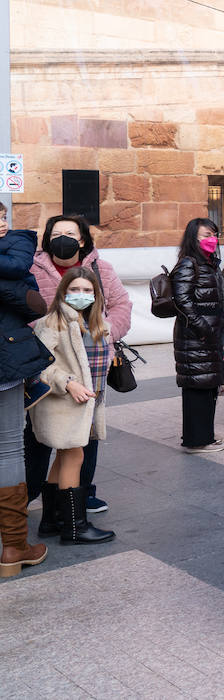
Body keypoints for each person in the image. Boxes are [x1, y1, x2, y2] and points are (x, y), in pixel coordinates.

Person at [26, 213, 131, 514]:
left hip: (93, 364)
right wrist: (46, 331)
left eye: (70, 233)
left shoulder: (100, 268)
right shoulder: (33, 268)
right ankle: (32, 495)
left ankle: (77, 497)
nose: (63, 238)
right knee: (42, 436)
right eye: (56, 233)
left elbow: (121, 305)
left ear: (82, 239)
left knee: (85, 439)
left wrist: (106, 330)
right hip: (51, 363)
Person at [31, 267, 115, 545]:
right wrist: (67, 383)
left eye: (87, 290)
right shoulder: (52, 322)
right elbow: (39, 366)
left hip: (86, 403)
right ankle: (75, 528)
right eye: (75, 289)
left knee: (66, 456)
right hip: (64, 402)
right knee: (75, 456)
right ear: (63, 291)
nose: (81, 295)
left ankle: (51, 520)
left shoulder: (95, 321)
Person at [0, 203, 50, 576]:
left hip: (7, 356)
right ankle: (13, 547)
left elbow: (30, 298)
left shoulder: (18, 245)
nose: (2, 225)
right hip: (6, 356)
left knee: (8, 447)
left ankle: (15, 546)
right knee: (8, 448)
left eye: (3, 217)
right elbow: (26, 297)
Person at [170, 218, 224, 453]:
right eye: (205, 235)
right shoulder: (189, 263)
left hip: (209, 334)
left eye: (214, 234)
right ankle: (196, 441)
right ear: (193, 238)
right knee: (197, 386)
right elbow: (182, 300)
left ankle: (205, 435)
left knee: (207, 386)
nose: (211, 239)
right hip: (196, 336)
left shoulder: (209, 263)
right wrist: (204, 327)